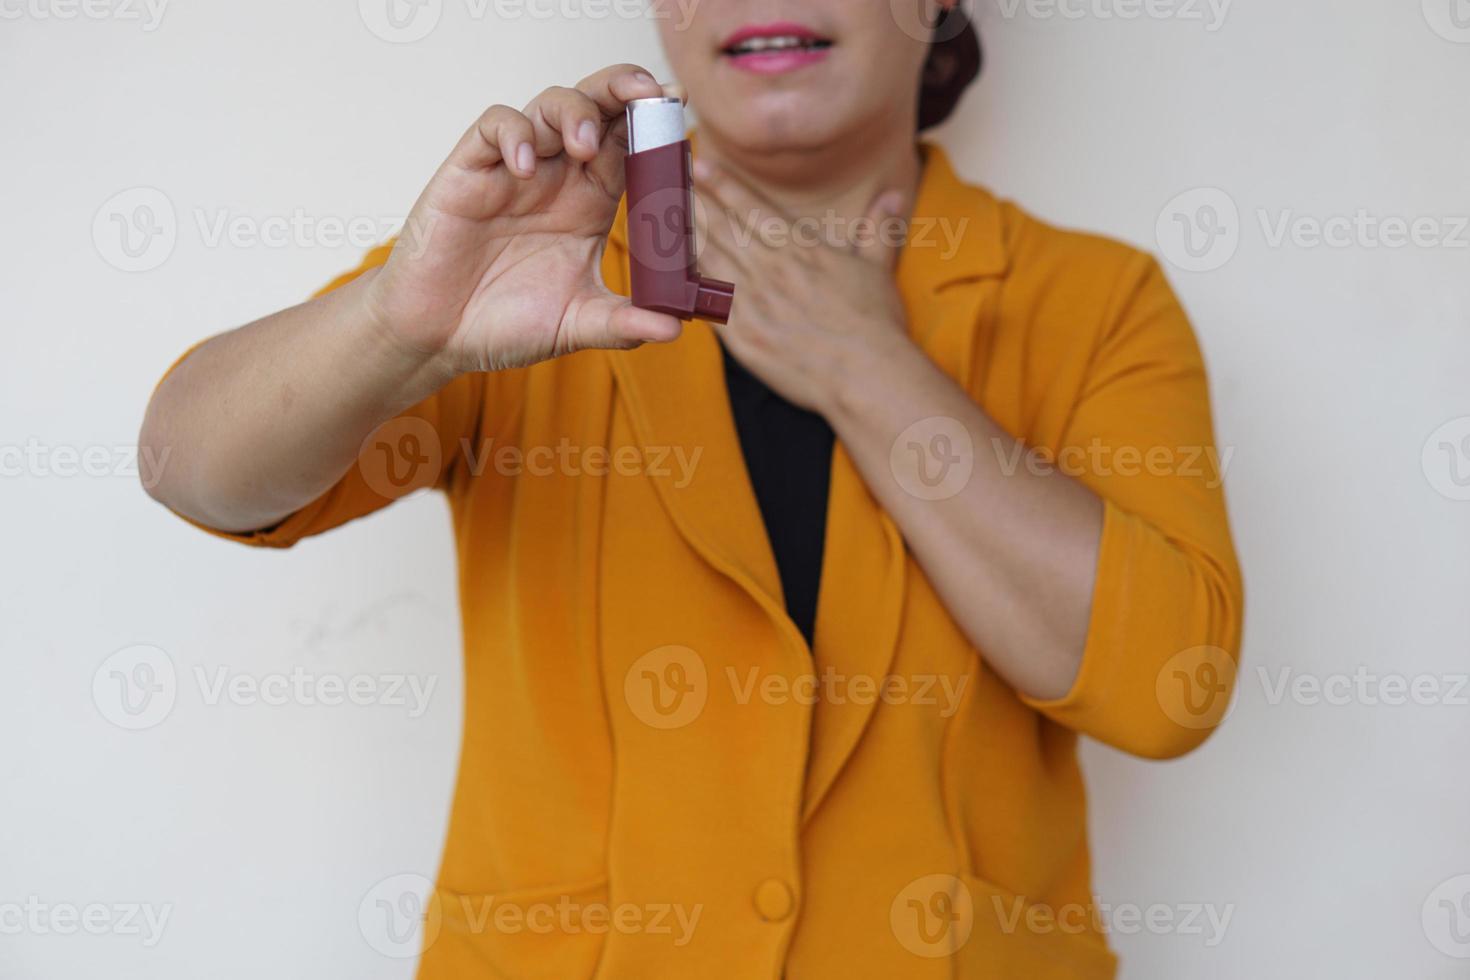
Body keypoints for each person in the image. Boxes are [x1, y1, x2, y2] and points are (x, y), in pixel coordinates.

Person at [139, 2, 1242, 976]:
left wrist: (868, 365)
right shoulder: (536, 257)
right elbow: (190, 465)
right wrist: (399, 323)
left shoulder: (1098, 301)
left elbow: (1166, 687)